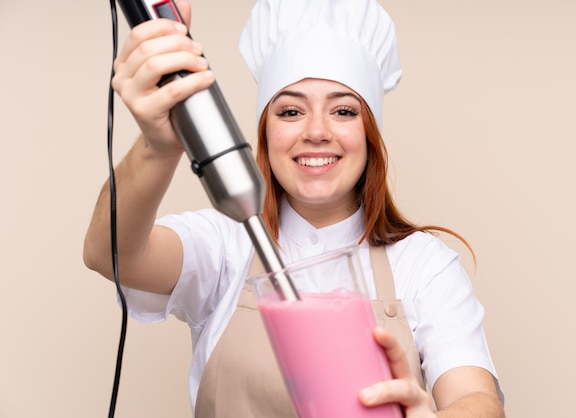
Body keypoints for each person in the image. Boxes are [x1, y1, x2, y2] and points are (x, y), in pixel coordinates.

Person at [84, 0, 505, 416]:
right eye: (290, 110)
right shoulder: (224, 243)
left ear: (370, 132)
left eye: (343, 110)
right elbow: (111, 253)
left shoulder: (422, 265)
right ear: (265, 132)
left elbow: (476, 402)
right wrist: (158, 146)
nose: (317, 131)